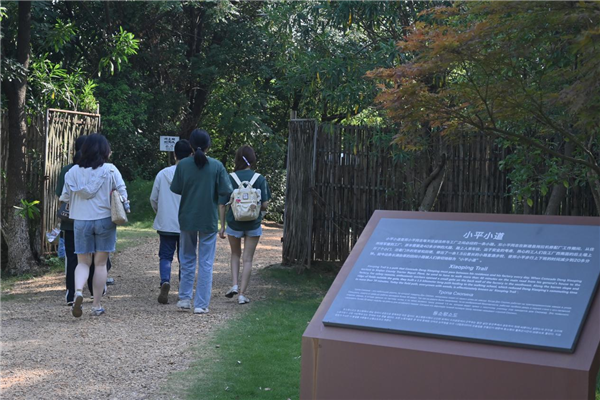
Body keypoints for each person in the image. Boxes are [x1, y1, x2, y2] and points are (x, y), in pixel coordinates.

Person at [60, 133, 127, 317]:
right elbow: (123, 194)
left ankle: (78, 292)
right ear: (105, 150)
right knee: (100, 264)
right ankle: (96, 305)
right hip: (105, 219)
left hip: (80, 221)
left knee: (82, 262)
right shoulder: (111, 170)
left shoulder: (72, 172)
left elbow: (64, 197)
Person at [170, 129, 232, 315]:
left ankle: (184, 298)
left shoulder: (183, 165)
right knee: (206, 262)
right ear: (208, 146)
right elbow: (225, 191)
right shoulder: (217, 166)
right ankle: (201, 303)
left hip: (187, 217)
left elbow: (177, 189)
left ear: (190, 145)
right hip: (208, 219)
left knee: (187, 258)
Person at [55, 135, 112, 306]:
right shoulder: (107, 169)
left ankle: (73, 293)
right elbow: (120, 194)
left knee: (76, 260)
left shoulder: (69, 170)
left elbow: (62, 196)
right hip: (100, 219)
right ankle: (96, 296)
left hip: (74, 221)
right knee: (98, 260)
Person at [219, 145, 271, 304]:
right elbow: (265, 204)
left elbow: (222, 204)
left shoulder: (229, 178)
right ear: (253, 159)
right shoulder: (259, 179)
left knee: (235, 254)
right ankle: (242, 294)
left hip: (234, 223)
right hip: (253, 224)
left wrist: (222, 226)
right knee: (248, 259)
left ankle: (234, 285)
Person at [150, 139, 192, 304]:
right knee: (185, 257)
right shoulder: (191, 174)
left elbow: (153, 198)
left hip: (166, 222)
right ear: (190, 155)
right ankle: (183, 289)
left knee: (165, 256)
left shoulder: (162, 174)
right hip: (186, 223)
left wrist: (160, 212)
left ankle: (165, 281)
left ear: (175, 154)